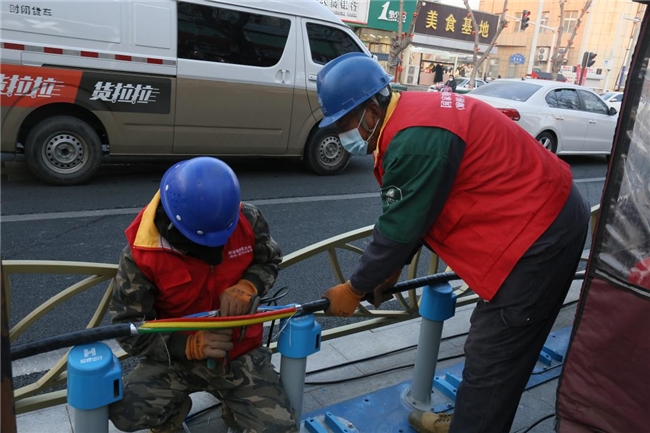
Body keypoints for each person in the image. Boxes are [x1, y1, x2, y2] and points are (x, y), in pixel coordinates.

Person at [316, 52, 590, 433]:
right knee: (493, 352)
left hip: (541, 234)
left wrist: (355, 287)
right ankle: (471, 417)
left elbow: (396, 227)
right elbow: (420, 209)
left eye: (344, 123)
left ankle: (474, 423)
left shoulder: (415, 139)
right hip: (539, 214)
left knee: (494, 356)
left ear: (371, 111)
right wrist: (391, 268)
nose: (343, 134)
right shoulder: (411, 116)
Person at [108, 157, 297, 433]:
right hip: (177, 361)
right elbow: (129, 329)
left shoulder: (246, 219)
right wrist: (187, 345)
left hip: (240, 354)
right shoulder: (141, 254)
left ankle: (234, 407)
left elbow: (269, 259)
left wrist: (250, 284)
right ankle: (171, 417)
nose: (215, 252)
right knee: (125, 413)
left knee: (279, 430)